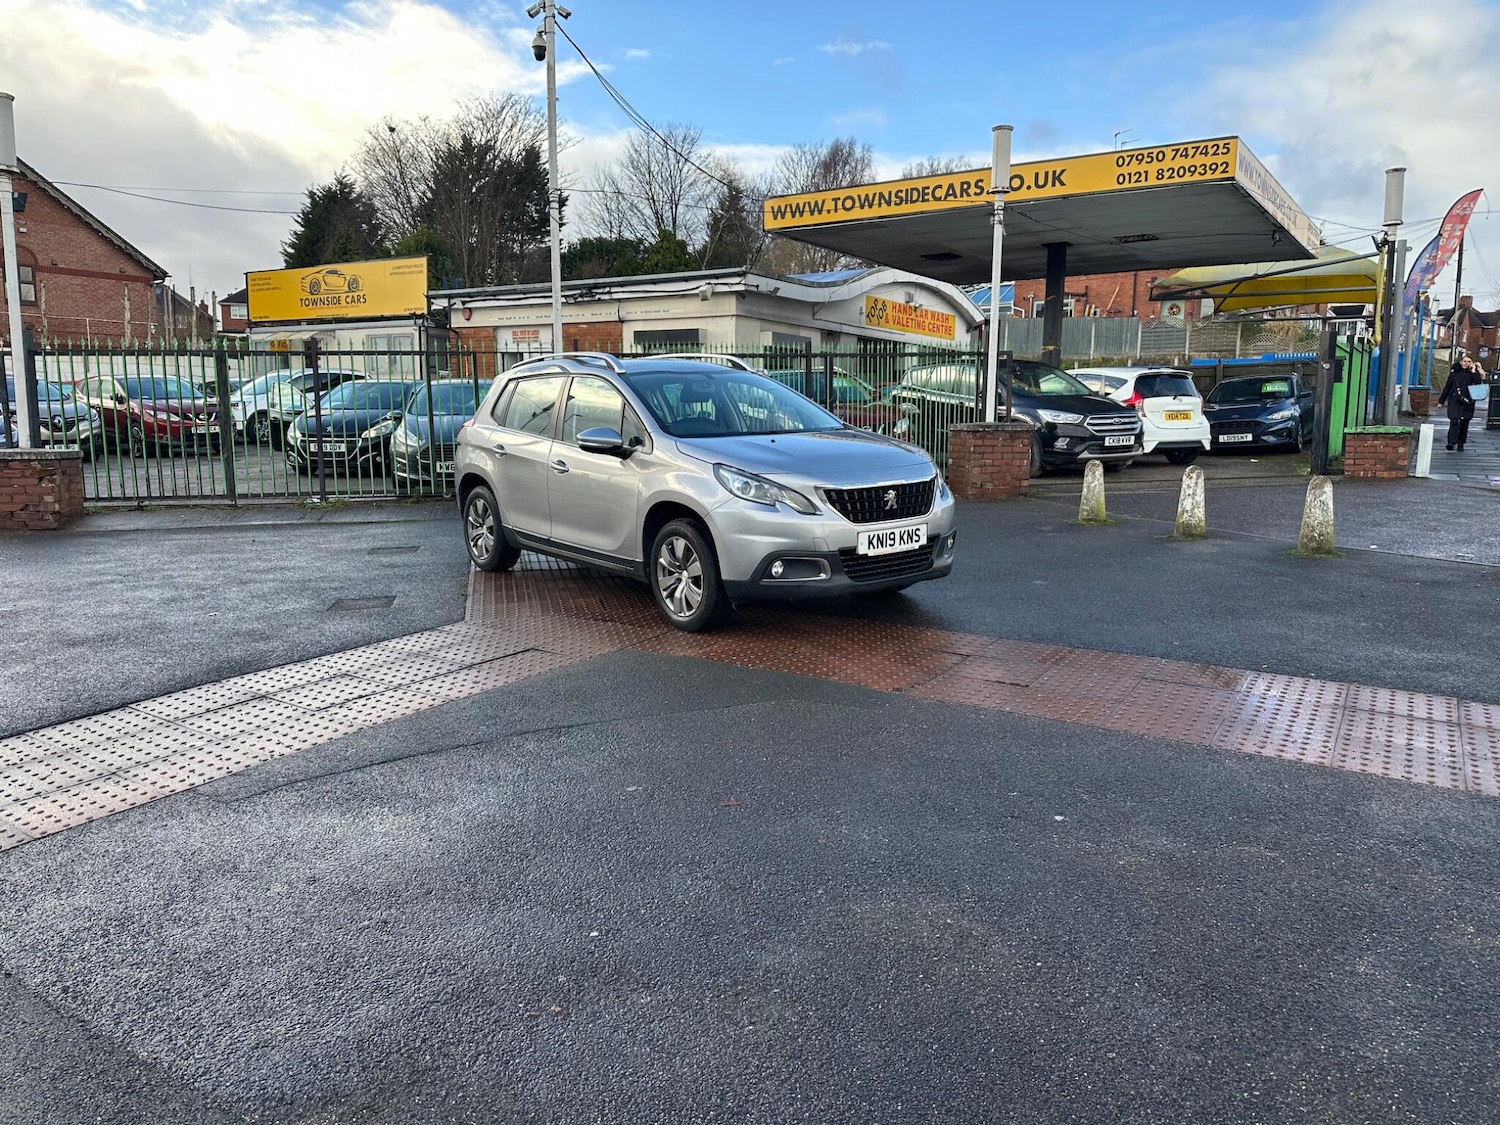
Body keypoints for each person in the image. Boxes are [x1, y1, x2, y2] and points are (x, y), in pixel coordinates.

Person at [1438, 354, 1480, 451]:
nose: (1466, 363)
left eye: (1469, 361)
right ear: (1461, 362)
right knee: (1454, 421)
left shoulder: (1474, 373)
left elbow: (1478, 384)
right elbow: (1447, 387)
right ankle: (1451, 442)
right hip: (1455, 400)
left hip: (1468, 401)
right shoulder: (1454, 373)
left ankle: (1461, 443)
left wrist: (1474, 371)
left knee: (1464, 423)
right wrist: (1441, 401)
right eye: (1465, 361)